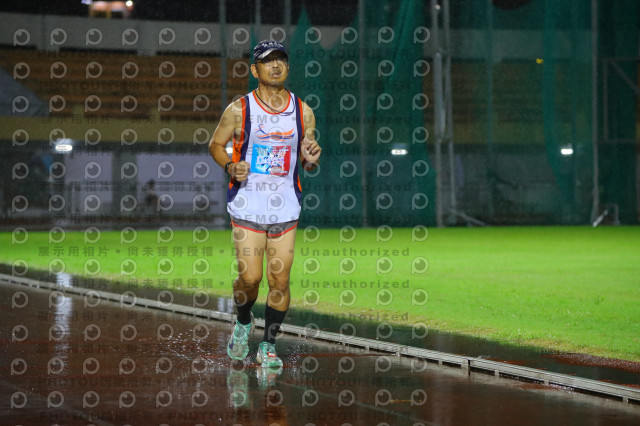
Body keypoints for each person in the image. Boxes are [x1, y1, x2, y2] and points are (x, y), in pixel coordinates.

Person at [208, 40, 321, 368]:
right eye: (268, 61)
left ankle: (269, 345)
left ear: (287, 67)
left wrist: (311, 158)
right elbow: (216, 144)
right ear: (255, 70)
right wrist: (231, 166)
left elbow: (308, 158)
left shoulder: (303, 111)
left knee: (280, 281)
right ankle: (244, 321)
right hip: (248, 204)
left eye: (281, 60)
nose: (275, 65)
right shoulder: (239, 110)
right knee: (250, 279)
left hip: (285, 206)